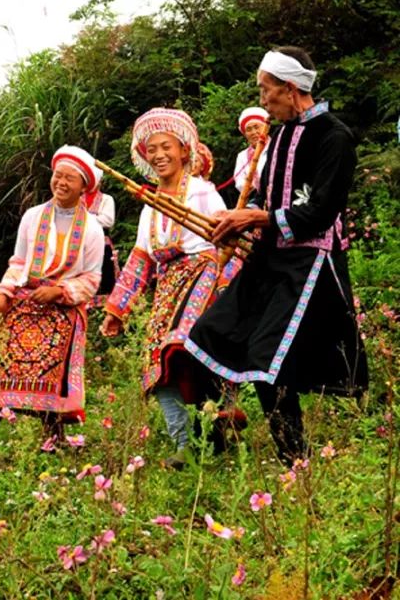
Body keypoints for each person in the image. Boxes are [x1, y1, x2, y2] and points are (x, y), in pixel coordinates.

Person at [187, 47, 367, 464]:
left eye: (266, 90)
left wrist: (258, 217)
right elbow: (268, 198)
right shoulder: (281, 135)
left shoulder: (334, 137)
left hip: (309, 263)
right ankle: (213, 442)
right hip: (268, 259)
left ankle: (294, 459)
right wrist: (235, 222)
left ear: (289, 89)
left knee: (269, 360)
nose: (262, 98)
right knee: (206, 337)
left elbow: (322, 211)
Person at [99, 109, 231, 468]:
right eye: (150, 149)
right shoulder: (150, 207)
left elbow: (226, 244)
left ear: (184, 150)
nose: (158, 155)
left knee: (186, 341)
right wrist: (117, 309)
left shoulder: (203, 194)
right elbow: (141, 260)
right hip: (168, 284)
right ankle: (184, 444)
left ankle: (223, 416)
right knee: (155, 363)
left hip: (204, 274)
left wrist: (226, 289)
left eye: (165, 146)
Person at [0, 146, 105, 431]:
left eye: (69, 178)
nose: (61, 182)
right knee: (2, 373)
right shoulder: (32, 217)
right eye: (57, 176)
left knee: (53, 382)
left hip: (62, 311)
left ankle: (53, 438)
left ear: (84, 186)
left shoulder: (93, 229)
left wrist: (59, 292)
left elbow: (92, 279)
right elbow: (19, 262)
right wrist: (3, 294)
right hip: (23, 305)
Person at [84, 182, 118, 304]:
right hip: (80, 245)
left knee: (106, 278)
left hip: (102, 243)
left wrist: (84, 218)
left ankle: (103, 310)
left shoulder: (106, 199)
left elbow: (108, 221)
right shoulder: (76, 199)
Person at [231, 106, 270, 197]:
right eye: (248, 129)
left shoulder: (277, 147)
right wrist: (248, 186)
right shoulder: (242, 156)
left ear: (266, 128)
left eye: (257, 127)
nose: (253, 132)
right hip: (254, 198)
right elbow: (239, 180)